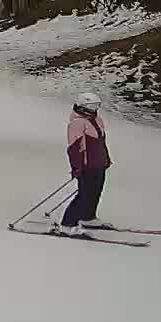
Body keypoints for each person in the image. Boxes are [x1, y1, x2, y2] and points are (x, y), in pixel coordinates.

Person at [58, 92, 112, 235]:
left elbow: (101, 142)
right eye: (92, 106)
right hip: (86, 166)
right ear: (83, 106)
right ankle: (68, 224)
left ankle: (88, 217)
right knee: (84, 195)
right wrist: (76, 167)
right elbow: (74, 148)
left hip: (99, 164)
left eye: (97, 105)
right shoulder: (77, 123)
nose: (95, 108)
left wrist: (106, 158)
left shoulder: (97, 119)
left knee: (95, 192)